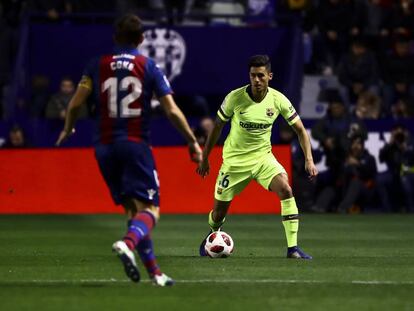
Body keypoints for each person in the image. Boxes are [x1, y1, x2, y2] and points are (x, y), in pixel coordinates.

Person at [56, 14, 202, 286]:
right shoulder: (148, 66)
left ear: (114, 37)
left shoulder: (96, 65)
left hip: (103, 148)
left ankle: (155, 273)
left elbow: (75, 104)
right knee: (151, 210)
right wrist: (192, 141)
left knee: (133, 211)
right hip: (135, 144)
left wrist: (67, 128)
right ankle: (127, 243)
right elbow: (170, 110)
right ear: (142, 39)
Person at [196, 55, 318, 259]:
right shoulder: (234, 98)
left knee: (286, 189)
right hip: (234, 163)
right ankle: (212, 233)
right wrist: (205, 157)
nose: (257, 80)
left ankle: (293, 248)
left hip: (263, 159)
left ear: (269, 76)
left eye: (261, 75)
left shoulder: (278, 100)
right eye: (253, 75)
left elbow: (300, 130)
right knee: (218, 214)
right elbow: (217, 127)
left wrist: (309, 159)